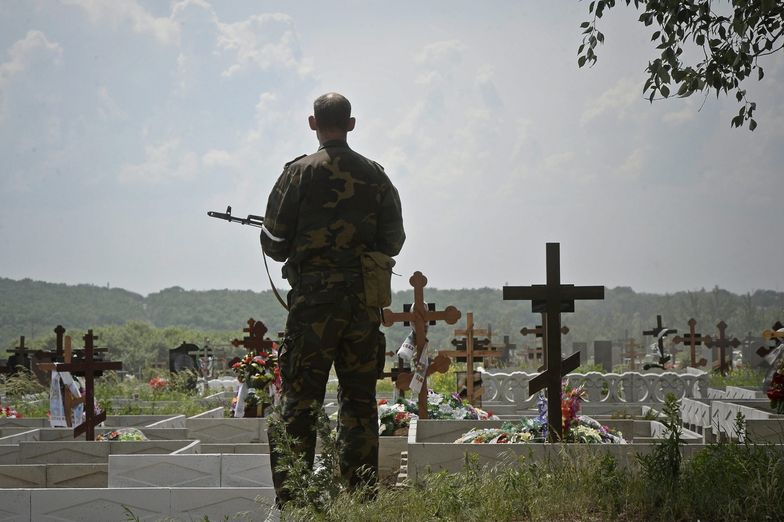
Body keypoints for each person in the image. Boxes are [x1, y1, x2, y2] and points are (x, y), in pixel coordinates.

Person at [260, 92, 405, 504]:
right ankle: (361, 500)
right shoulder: (376, 176)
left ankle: (294, 502)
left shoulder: (298, 173)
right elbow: (393, 240)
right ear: (352, 124)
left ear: (312, 123)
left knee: (299, 402)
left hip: (313, 308)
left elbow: (273, 241)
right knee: (359, 402)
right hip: (361, 306)